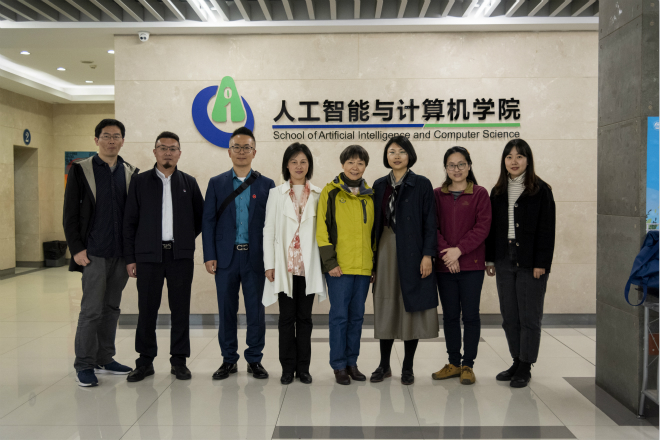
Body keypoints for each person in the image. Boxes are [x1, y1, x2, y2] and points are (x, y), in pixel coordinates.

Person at [123, 131, 204, 382]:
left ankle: (179, 361)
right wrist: (131, 258)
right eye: (163, 148)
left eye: (173, 149)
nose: (168, 153)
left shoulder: (189, 183)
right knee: (147, 310)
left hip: (180, 257)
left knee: (180, 309)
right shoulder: (139, 182)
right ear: (155, 151)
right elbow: (129, 222)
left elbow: (199, 218)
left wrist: (184, 239)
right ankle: (145, 361)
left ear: (179, 153)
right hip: (148, 257)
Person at [63, 119, 139, 387]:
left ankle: (104, 358)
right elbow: (70, 213)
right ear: (96, 140)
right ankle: (84, 364)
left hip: (121, 254)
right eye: (106, 136)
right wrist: (76, 249)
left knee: (111, 308)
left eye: (116, 136)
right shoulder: (81, 170)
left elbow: (134, 216)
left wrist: (132, 254)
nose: (111, 141)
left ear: (122, 141)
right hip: (93, 253)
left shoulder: (130, 172)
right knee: (91, 310)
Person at [202, 127, 275, 381]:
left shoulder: (267, 184)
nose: (241, 152)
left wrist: (271, 260)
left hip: (255, 258)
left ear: (254, 152)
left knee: (256, 312)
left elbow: (272, 225)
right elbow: (208, 221)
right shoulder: (216, 183)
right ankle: (228, 359)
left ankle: (254, 359)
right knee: (226, 310)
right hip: (225, 258)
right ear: (229, 151)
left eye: (246, 147)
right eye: (237, 147)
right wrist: (209, 255)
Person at [485, 139, 555, 388]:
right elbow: (492, 229)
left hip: (529, 260)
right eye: (509, 157)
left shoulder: (541, 190)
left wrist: (541, 263)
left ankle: (526, 364)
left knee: (529, 316)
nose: (514, 162)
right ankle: (516, 360)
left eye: (519, 156)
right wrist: (490, 258)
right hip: (504, 258)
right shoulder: (498, 191)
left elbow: (547, 229)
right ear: (503, 161)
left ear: (528, 160)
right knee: (509, 316)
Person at [370, 136, 438, 386]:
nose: (396, 156)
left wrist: (428, 255)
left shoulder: (421, 184)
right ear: (386, 156)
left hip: (414, 250)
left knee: (412, 306)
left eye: (401, 151)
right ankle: (384, 364)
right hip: (385, 248)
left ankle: (407, 366)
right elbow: (372, 226)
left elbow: (431, 222)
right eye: (392, 151)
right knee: (385, 304)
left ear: (410, 155)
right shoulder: (379, 185)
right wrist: (371, 263)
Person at [262, 143, 327, 385]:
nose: (299, 166)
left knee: (305, 318)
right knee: (286, 318)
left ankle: (304, 368)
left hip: (309, 266)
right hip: (284, 266)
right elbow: (268, 230)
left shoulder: (319, 194)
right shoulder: (276, 194)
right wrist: (269, 264)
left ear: (309, 165)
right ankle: (287, 368)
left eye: (303, 161)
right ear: (286, 165)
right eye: (294, 162)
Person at [431, 146, 491, 385]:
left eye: (461, 164)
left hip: (472, 266)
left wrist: (459, 251)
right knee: (450, 316)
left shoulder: (480, 193)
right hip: (445, 266)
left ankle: (468, 365)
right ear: (446, 168)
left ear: (469, 166)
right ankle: (454, 363)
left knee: (471, 316)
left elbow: (482, 227)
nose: (456, 169)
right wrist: (448, 254)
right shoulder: (437, 195)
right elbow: (432, 227)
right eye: (451, 165)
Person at [316, 145, 375, 385]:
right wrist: (330, 262)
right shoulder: (330, 192)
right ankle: (339, 365)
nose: (355, 167)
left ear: (365, 166)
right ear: (343, 164)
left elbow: (374, 233)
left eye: (360, 163)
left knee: (357, 317)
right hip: (339, 268)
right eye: (350, 162)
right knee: (339, 317)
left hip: (363, 268)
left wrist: (373, 265)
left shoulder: (370, 195)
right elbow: (321, 229)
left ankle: (352, 363)